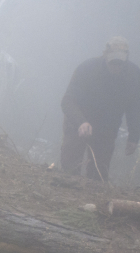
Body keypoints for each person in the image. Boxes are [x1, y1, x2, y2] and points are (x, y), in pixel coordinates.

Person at [60, 37, 140, 181]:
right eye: (113, 62)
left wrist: (134, 137)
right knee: (70, 169)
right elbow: (67, 100)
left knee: (98, 174)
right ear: (105, 55)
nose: (116, 66)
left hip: (107, 126)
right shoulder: (87, 68)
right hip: (79, 120)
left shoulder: (134, 75)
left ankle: (92, 200)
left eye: (120, 63)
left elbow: (134, 107)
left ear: (127, 58)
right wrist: (81, 122)